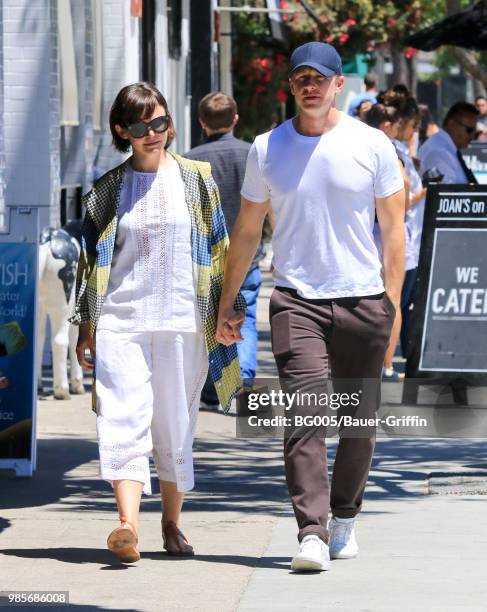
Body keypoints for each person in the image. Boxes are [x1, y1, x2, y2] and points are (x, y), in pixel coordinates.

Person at [216, 42, 405, 572]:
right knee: (306, 415)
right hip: (297, 300)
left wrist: (393, 310)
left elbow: (393, 233)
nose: (310, 85)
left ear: (338, 84)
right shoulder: (266, 148)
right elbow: (248, 230)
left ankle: (345, 517)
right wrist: (226, 304)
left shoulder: (372, 144)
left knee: (358, 422)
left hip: (364, 299)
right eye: (301, 77)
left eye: (320, 78)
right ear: (291, 85)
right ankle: (312, 534)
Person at [71, 82, 244, 564]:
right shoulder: (108, 190)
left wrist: (231, 309)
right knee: (123, 416)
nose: (155, 133)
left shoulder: (197, 178)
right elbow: (91, 262)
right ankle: (127, 526)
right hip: (121, 320)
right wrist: (87, 325)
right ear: (123, 130)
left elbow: (220, 246)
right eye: (143, 126)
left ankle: (171, 524)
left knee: (174, 421)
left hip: (184, 321)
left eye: (162, 122)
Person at [185, 92, 263, 407]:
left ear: (202, 122)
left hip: (206, 255)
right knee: (248, 314)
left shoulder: (190, 160)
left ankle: (215, 384)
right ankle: (243, 376)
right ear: (235, 119)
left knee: (208, 318)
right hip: (248, 255)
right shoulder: (252, 155)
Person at [365, 103, 409, 380]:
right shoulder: (383, 148)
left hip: (372, 230)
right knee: (390, 299)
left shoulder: (360, 145)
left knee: (379, 300)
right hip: (382, 231)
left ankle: (382, 365)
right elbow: (404, 183)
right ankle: (386, 365)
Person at [389, 95, 427, 359]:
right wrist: (424, 193)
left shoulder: (402, 149)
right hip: (400, 236)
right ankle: (387, 361)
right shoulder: (394, 151)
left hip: (410, 237)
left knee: (402, 300)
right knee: (396, 301)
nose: (415, 132)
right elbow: (402, 198)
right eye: (413, 126)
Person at [418, 101, 479, 184]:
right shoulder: (438, 152)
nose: (472, 136)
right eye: (469, 130)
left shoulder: (447, 149)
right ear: (452, 124)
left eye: (475, 132)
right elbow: (447, 193)